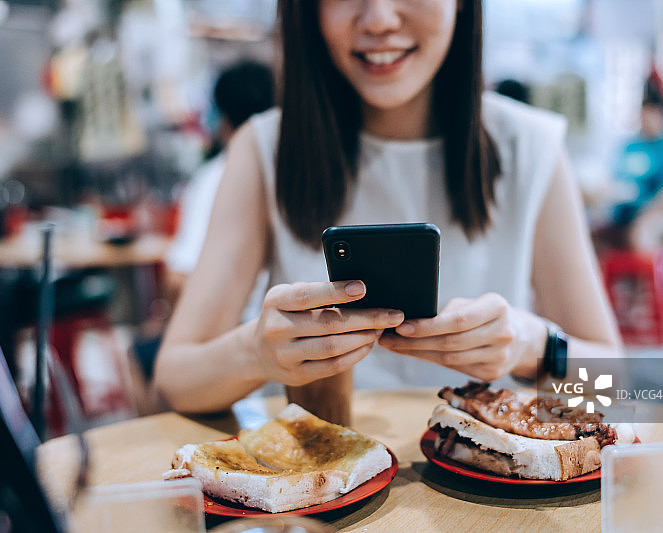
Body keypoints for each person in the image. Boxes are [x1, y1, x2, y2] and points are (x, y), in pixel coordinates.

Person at [154, 0, 622, 415]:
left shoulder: (531, 148)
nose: (378, 19)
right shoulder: (264, 149)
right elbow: (175, 381)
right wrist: (256, 353)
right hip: (323, 494)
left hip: (490, 492)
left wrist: (531, 345)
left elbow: (616, 386)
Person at [163, 60, 275, 298]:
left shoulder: (214, 177)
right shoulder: (304, 172)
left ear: (223, 119)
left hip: (232, 324)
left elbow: (179, 279)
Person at [602, 67, 663, 251]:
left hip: (657, 215)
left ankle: (639, 278)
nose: (645, 118)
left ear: (662, 116)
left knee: (640, 234)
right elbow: (615, 180)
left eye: (651, 113)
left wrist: (645, 213)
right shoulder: (630, 146)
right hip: (623, 213)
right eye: (643, 112)